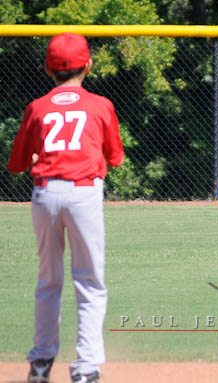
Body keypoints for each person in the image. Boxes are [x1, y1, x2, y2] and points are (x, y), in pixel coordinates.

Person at [7, 33, 124, 383]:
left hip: (45, 194)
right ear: (88, 65)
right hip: (84, 193)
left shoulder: (37, 107)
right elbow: (115, 158)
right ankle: (86, 367)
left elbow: (15, 164)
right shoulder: (100, 104)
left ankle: (41, 363)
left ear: (48, 69)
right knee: (89, 281)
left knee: (49, 280)